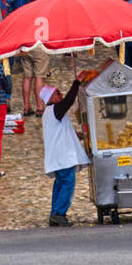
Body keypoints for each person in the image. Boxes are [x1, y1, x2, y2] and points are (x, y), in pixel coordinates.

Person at [40, 81, 88, 226]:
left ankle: (54, 213)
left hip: (58, 156)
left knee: (60, 184)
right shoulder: (55, 109)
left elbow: (59, 131)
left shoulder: (50, 113)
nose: (60, 95)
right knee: (67, 183)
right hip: (62, 156)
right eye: (57, 93)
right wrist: (76, 83)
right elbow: (68, 101)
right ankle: (59, 213)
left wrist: (75, 135)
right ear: (50, 98)